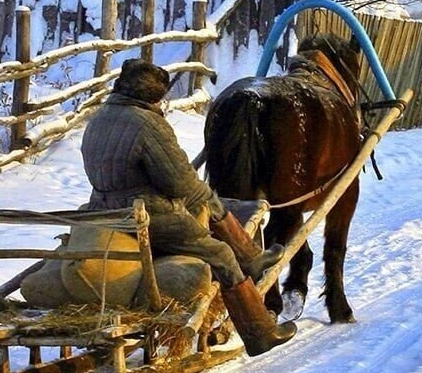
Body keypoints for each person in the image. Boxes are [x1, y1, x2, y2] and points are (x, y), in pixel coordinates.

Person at [81, 58, 296, 356]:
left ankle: (250, 257)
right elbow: (181, 183)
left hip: (104, 211)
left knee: (206, 203)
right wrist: (207, 199)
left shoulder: (99, 118)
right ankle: (260, 331)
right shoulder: (147, 124)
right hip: (147, 217)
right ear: (154, 96)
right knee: (220, 251)